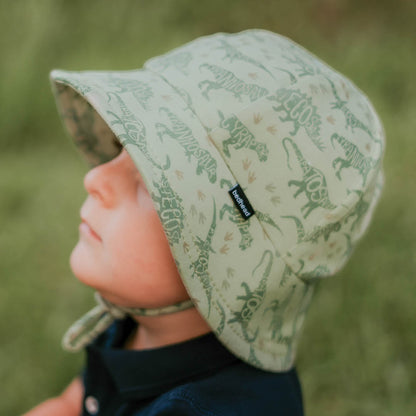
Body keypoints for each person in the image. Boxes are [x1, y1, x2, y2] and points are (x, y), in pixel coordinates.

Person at [24, 29, 385, 415]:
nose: (95, 179)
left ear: (226, 263)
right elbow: (72, 402)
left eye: (150, 182)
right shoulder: (140, 321)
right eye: (120, 149)